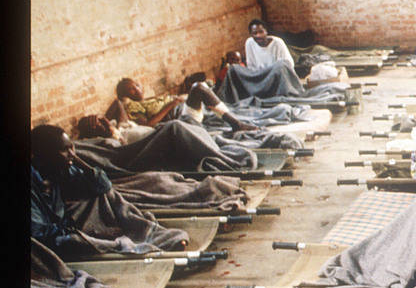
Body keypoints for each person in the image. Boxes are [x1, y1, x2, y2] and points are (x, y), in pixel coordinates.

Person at [30, 124, 188, 255]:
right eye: (64, 150)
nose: (71, 154)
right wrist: (75, 233)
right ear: (42, 154)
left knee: (103, 196)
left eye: (72, 148)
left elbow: (102, 185)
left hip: (63, 227)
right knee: (74, 241)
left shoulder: (59, 169)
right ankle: (123, 246)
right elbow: (40, 235)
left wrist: (76, 160)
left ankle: (147, 232)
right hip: (49, 242)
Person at [105, 77, 256, 132]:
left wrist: (178, 98)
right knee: (198, 87)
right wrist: (172, 104)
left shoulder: (149, 99)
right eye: (131, 89)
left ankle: (229, 116)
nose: (137, 89)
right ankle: (236, 124)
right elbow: (148, 125)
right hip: (182, 117)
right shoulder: (133, 107)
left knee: (205, 84)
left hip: (184, 107)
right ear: (125, 95)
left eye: (137, 85)